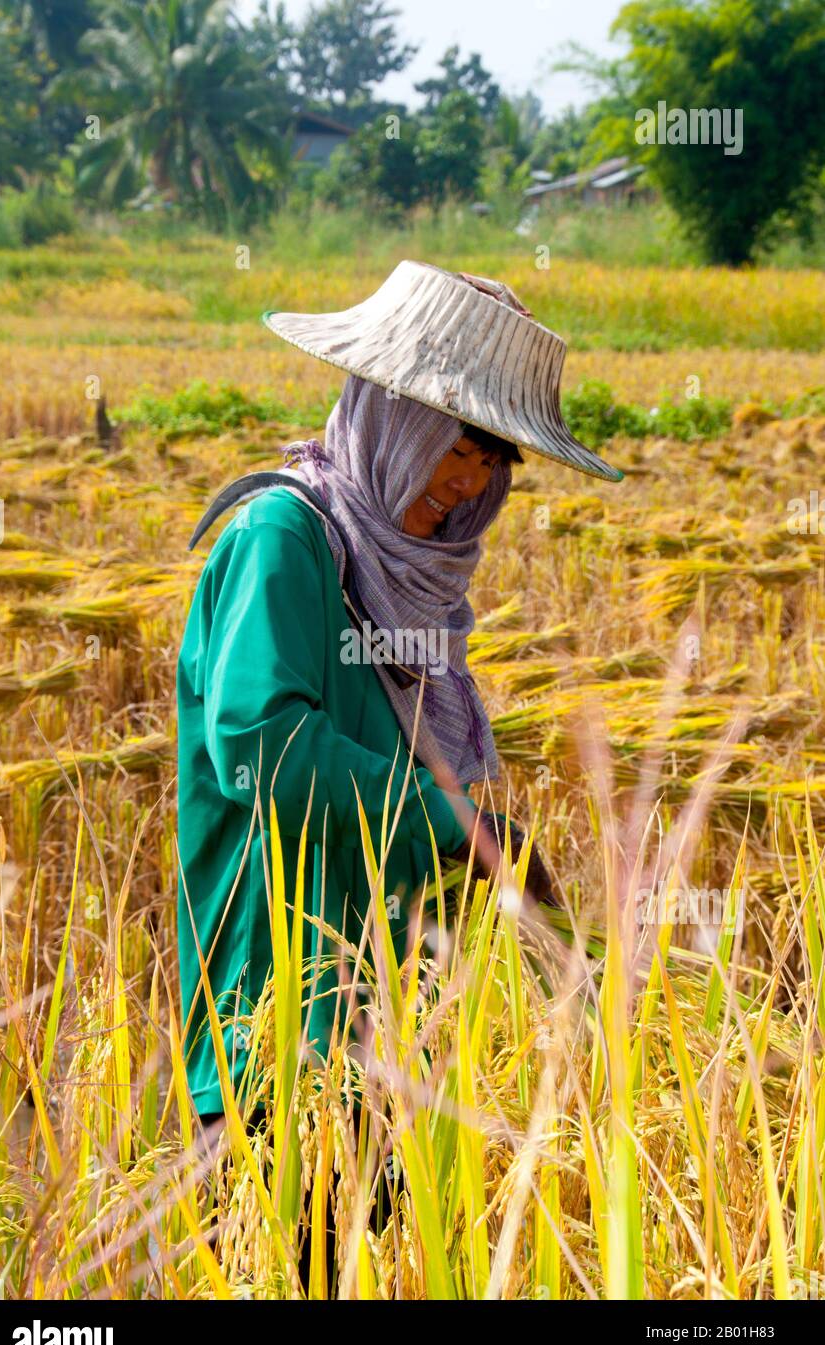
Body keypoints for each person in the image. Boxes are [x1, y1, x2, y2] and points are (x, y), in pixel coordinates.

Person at [176, 260, 623, 1129]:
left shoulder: (409, 583)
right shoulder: (285, 538)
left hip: (386, 1000)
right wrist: (452, 820)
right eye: (457, 447)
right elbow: (260, 746)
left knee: (380, 1259)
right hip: (276, 1004)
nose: (469, 482)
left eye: (493, 459)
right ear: (396, 420)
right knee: (282, 1255)